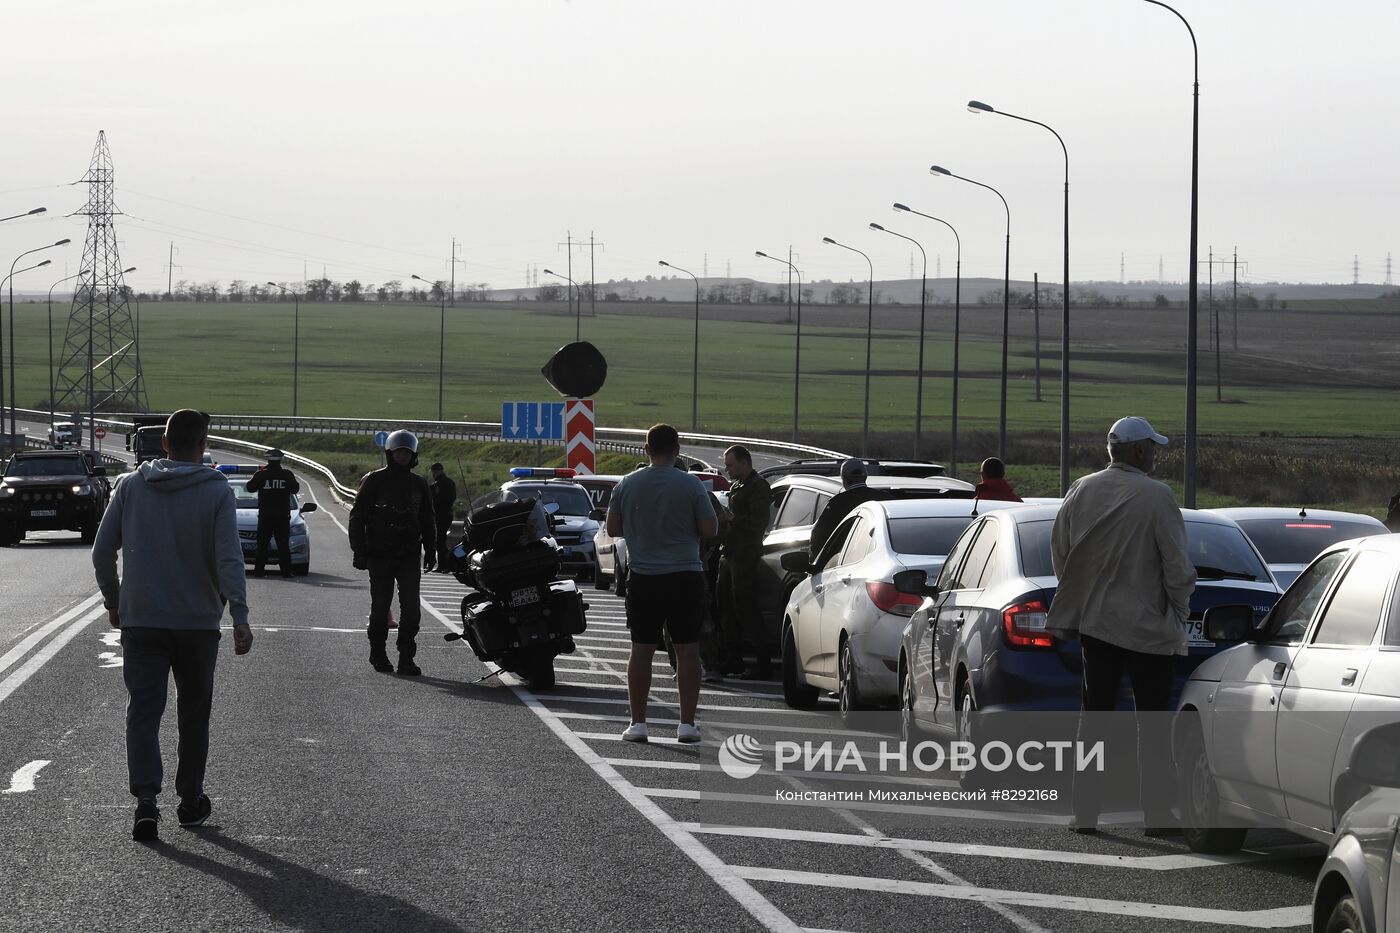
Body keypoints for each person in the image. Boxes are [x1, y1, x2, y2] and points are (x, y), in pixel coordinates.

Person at [91, 409, 253, 841]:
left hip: (142, 622)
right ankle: (190, 800)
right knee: (193, 715)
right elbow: (229, 560)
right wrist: (239, 614)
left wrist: (114, 600)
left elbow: (101, 553)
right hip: (198, 625)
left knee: (143, 713)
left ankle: (146, 801)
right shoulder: (216, 491)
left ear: (164, 443)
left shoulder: (130, 486)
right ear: (203, 445)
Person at [1046, 416, 1196, 836]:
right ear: (1138, 451)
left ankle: (1086, 813)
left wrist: (1080, 596)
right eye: (1153, 447)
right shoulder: (1158, 497)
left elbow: (1061, 551)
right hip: (1148, 627)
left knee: (1093, 719)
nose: (1156, 454)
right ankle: (1159, 816)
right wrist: (1178, 612)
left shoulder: (1082, 490)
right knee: (1151, 725)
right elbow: (1178, 566)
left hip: (1097, 626)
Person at [606, 424, 717, 744]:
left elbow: (613, 529)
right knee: (687, 648)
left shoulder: (626, 484)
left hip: (643, 576)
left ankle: (638, 723)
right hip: (685, 575)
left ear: (646, 449)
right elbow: (709, 529)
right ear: (678, 449)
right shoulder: (691, 484)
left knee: (641, 648)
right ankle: (686, 724)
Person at [349, 430, 436, 675]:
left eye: (407, 453)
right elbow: (357, 517)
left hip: (409, 555)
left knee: (412, 611)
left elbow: (428, 520)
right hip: (379, 555)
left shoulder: (419, 484)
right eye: (399, 452)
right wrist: (360, 551)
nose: (403, 456)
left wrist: (431, 551)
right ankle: (378, 654)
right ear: (390, 453)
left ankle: (406, 657)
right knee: (380, 610)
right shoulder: (374, 481)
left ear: (414, 455)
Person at [713, 444, 772, 680]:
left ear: (745, 463)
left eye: (730, 465)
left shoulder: (757, 487)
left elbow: (758, 522)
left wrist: (732, 521)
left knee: (746, 606)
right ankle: (733, 657)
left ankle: (762, 661)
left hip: (745, 552)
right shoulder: (738, 485)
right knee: (725, 604)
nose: (726, 469)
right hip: (730, 551)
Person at [808, 458, 881, 560]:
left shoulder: (837, 503)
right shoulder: (884, 498)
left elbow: (818, 536)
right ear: (866, 476)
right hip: (880, 557)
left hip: (846, 562)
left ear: (843, 478)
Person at [245, 448, 301, 578]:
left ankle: (259, 571)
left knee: (262, 544)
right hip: (282, 516)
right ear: (281, 459)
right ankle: (286, 572)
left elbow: (250, 488)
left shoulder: (261, 474)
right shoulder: (287, 475)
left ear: (267, 459)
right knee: (283, 544)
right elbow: (295, 489)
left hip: (265, 516)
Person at [429, 462, 457, 572]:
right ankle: (443, 565)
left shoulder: (439, 484)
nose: (433, 474)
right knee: (440, 541)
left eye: (433, 472)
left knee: (441, 541)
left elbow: (438, 500)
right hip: (446, 515)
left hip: (441, 515)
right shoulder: (448, 483)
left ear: (436, 471)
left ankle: (445, 565)